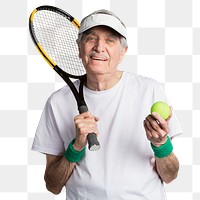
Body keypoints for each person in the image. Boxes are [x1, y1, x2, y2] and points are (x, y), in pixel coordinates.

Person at [32, 9, 182, 200]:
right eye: (91, 38)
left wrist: (161, 144)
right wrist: (76, 147)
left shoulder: (150, 90)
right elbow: (53, 186)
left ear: (123, 52)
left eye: (110, 40)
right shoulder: (57, 102)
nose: (99, 47)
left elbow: (170, 176)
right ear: (79, 48)